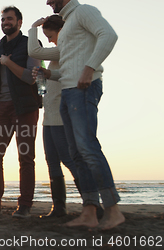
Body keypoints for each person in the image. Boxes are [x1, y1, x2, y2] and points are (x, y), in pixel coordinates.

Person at [32, 0, 125, 229]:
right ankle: (89, 212)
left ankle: (113, 211)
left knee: (87, 148)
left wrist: (90, 66)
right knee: (76, 153)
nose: (47, 2)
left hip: (84, 89)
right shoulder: (67, 24)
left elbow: (109, 35)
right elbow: (69, 66)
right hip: (68, 91)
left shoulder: (84, 11)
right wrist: (49, 74)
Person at [0, 6, 41, 218]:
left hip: (25, 107)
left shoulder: (31, 44)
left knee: (26, 156)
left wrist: (8, 62)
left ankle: (25, 206)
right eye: (3, 20)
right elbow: (1, 81)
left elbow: (31, 77)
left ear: (19, 22)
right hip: (1, 107)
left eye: (9, 19)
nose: (5, 23)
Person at [27, 15, 80, 218]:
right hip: (48, 117)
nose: (49, 40)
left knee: (68, 158)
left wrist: (33, 28)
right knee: (51, 160)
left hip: (59, 116)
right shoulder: (55, 57)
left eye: (50, 36)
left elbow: (34, 51)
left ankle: (92, 204)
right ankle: (59, 208)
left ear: (61, 32)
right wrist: (43, 76)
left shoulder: (64, 49)